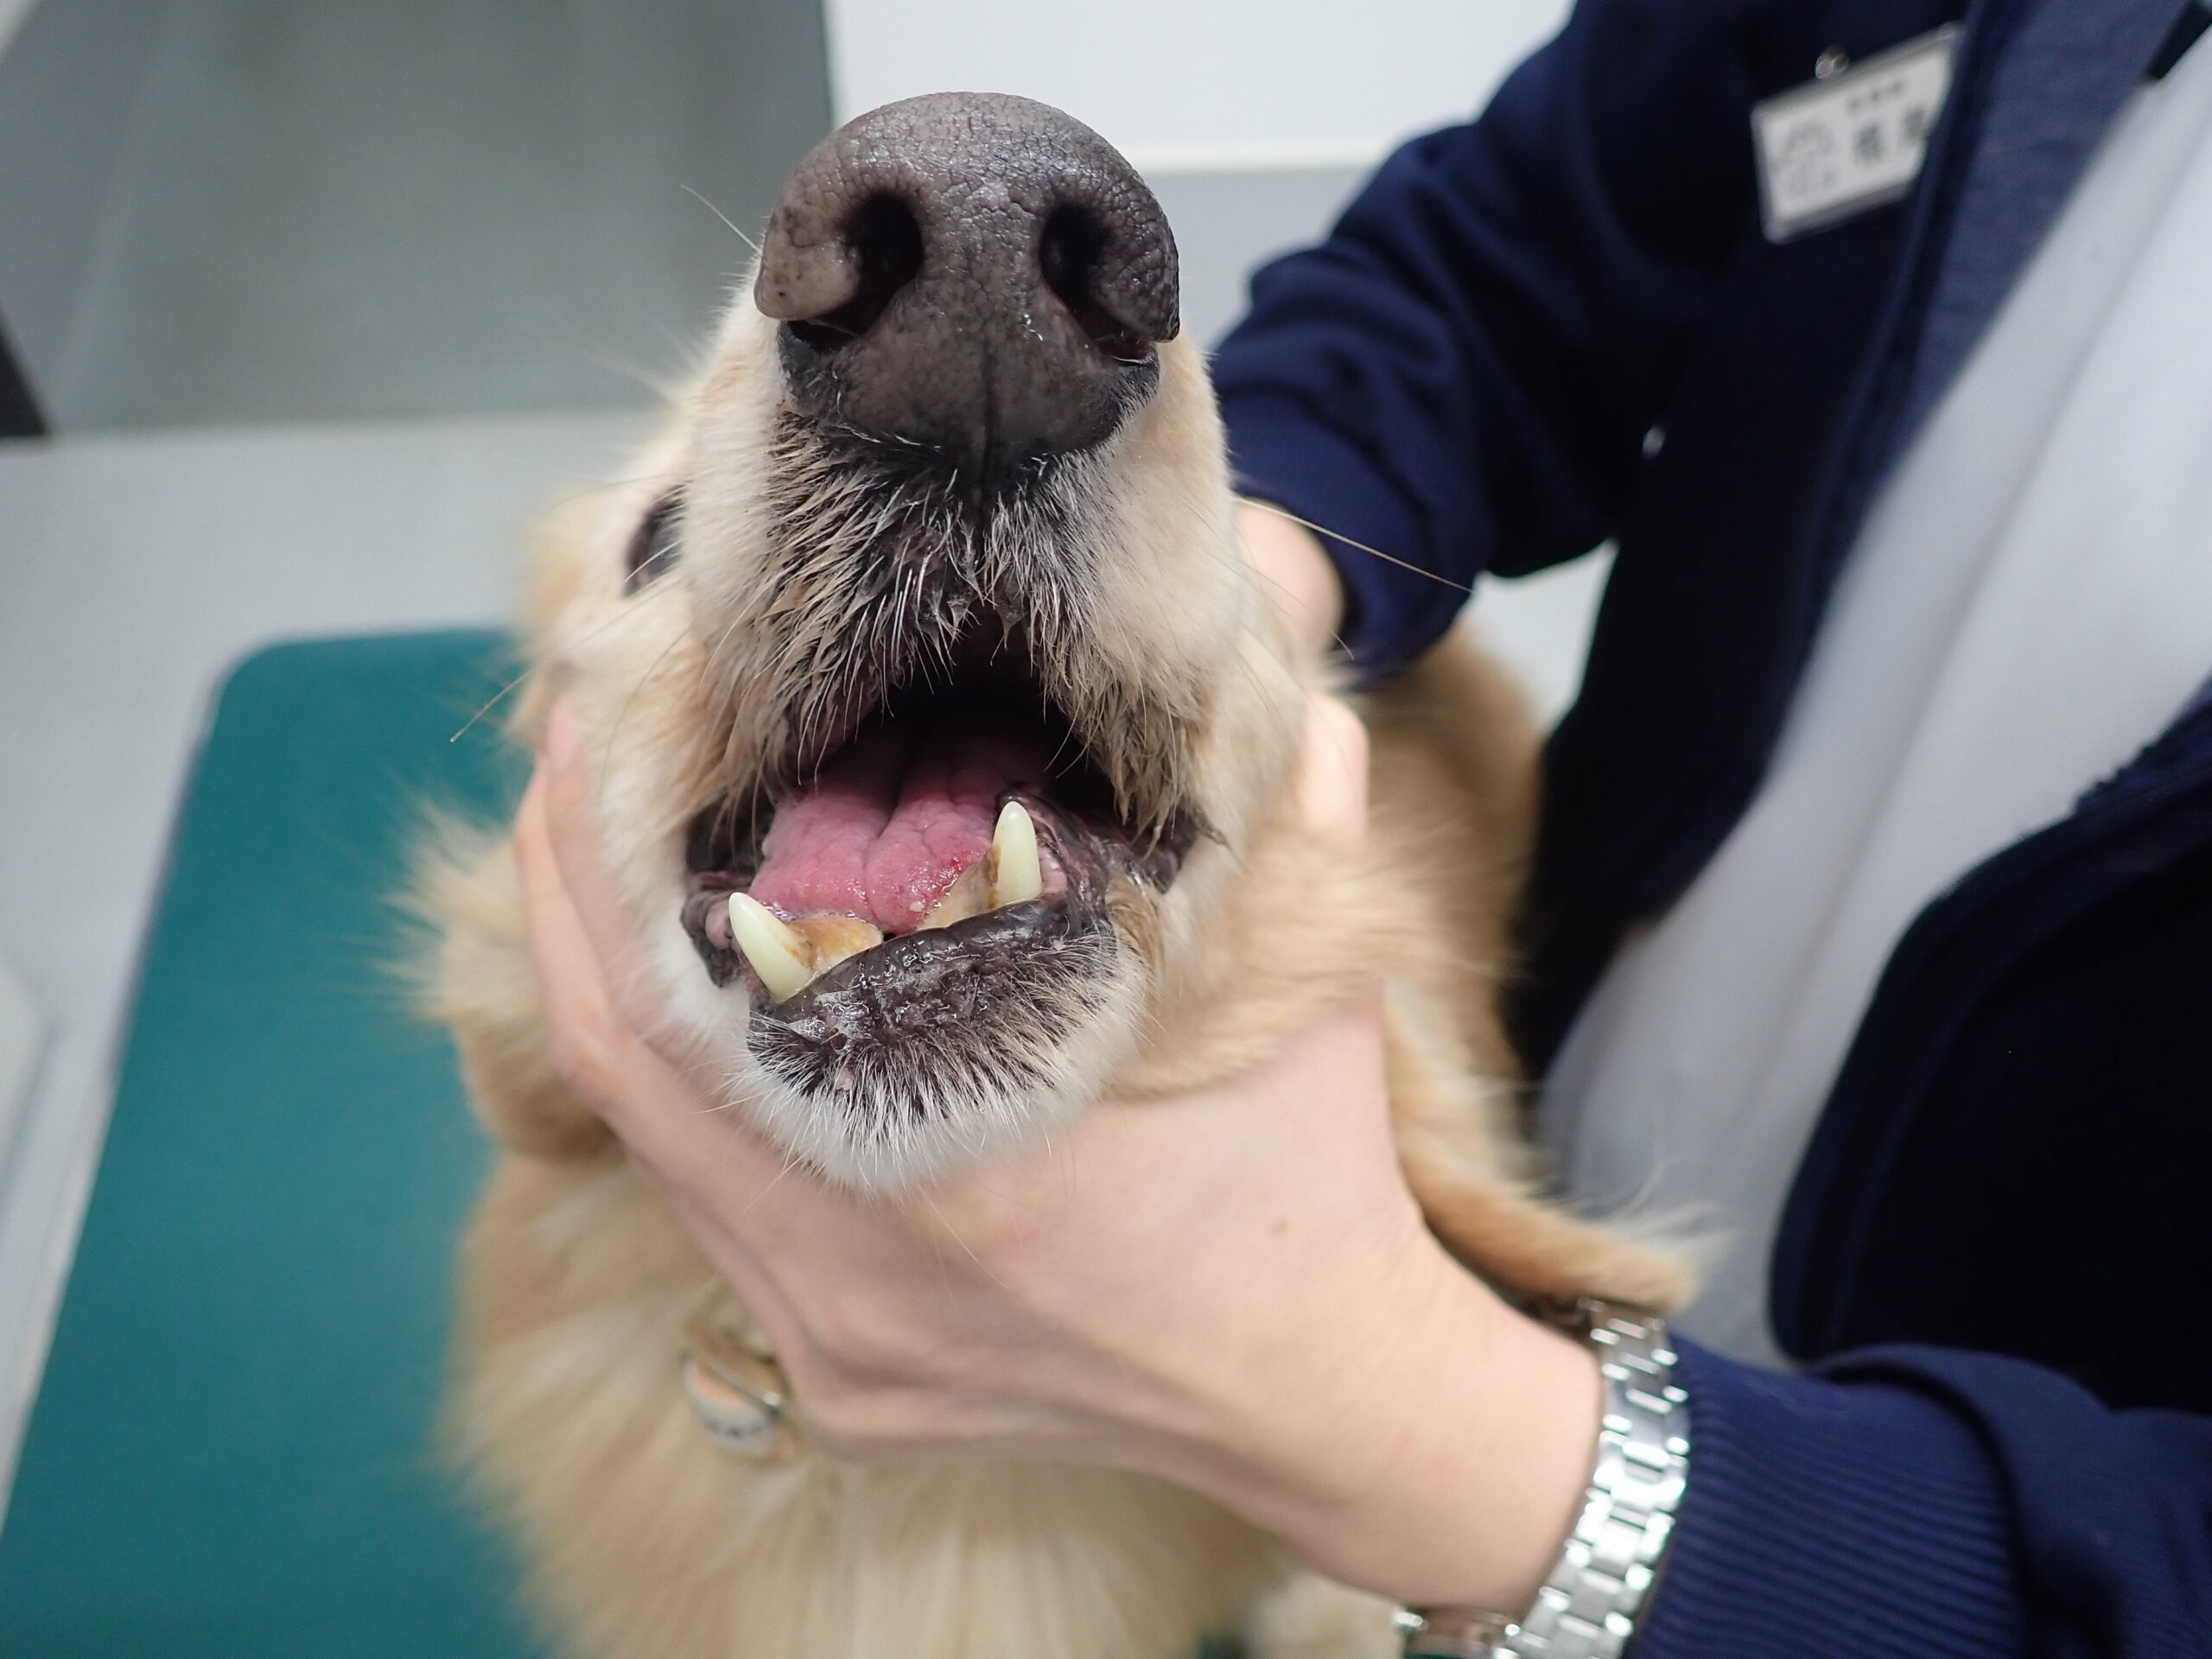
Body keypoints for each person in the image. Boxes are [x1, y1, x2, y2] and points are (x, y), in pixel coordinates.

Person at [514, 0, 2212, 1651]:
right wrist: (1230, 581)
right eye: (663, 542)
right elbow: (1502, 262)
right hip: (1615, 1030)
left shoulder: (1386, 1035)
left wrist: (1410, 1422)